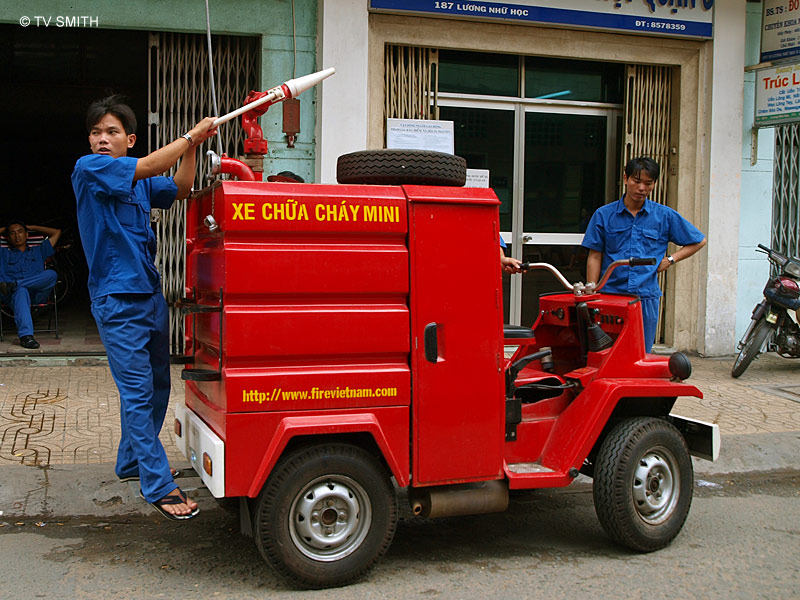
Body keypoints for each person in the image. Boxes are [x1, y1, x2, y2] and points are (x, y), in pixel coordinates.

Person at [71, 95, 217, 521]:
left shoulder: (137, 181)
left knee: (156, 387)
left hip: (149, 294)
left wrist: (191, 150)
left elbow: (180, 188)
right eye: (96, 132)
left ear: (128, 139)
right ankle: (158, 486)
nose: (101, 139)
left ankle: (132, 463)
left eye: (111, 132)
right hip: (116, 300)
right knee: (136, 393)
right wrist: (191, 134)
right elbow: (153, 167)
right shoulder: (90, 168)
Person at [581, 157, 706, 352]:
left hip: (645, 297)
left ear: (655, 184)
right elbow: (595, 255)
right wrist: (592, 289)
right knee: (605, 353)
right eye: (636, 181)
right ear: (625, 178)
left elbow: (699, 240)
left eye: (648, 183)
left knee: (639, 353)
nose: (641, 188)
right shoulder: (604, 215)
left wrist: (671, 259)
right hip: (609, 295)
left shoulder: (664, 216)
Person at [0, 220, 62, 349]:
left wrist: (33, 227)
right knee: (21, 291)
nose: (17, 236)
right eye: (12, 233)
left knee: (51, 274)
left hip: (36, 294)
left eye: (20, 232)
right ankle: (26, 337)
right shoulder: (3, 253)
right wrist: (4, 229)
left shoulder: (39, 250)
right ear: (8, 237)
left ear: (27, 235)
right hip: (12, 296)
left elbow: (57, 232)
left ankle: (15, 284)